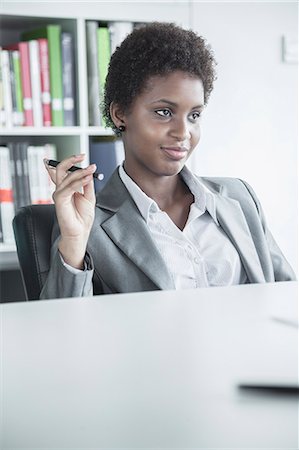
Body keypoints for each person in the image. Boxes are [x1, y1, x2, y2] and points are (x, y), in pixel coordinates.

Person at [40, 22, 295, 299]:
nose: (183, 132)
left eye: (194, 115)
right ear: (120, 114)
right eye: (164, 112)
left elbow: (288, 298)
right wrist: (76, 243)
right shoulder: (89, 223)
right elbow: (67, 330)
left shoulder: (239, 197)